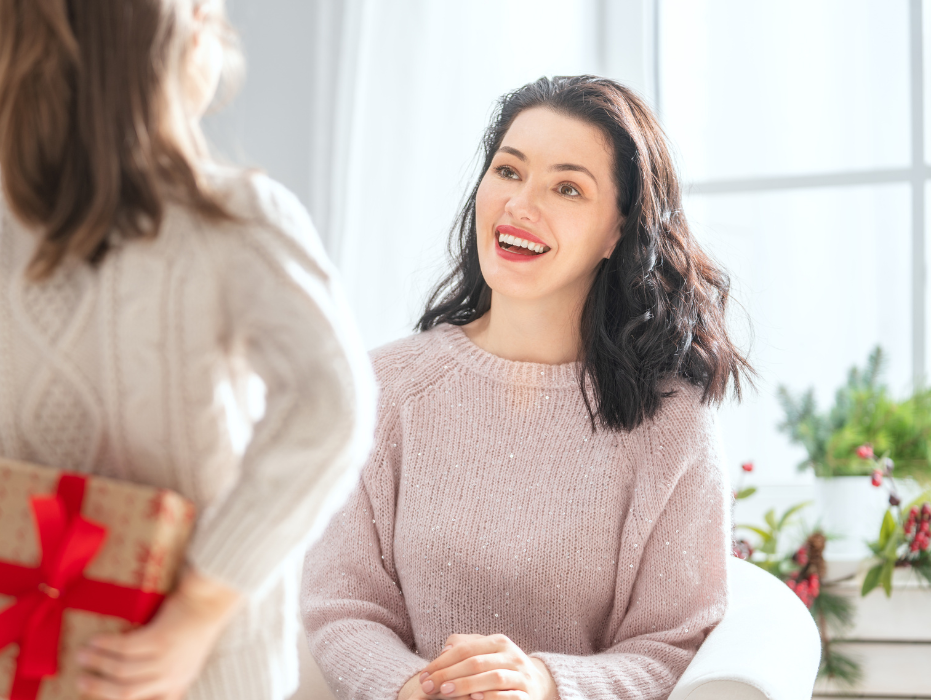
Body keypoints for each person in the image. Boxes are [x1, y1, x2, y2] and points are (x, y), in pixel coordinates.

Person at [0, 1, 376, 699]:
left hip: (9, 666)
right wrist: (202, 602)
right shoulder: (231, 221)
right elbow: (333, 405)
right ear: (177, 45)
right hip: (189, 678)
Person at [301, 75, 751, 700]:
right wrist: (414, 689)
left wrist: (543, 684)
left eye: (567, 187)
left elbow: (673, 643)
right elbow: (343, 605)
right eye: (508, 172)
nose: (520, 204)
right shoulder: (383, 388)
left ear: (617, 232)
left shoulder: (672, 419)